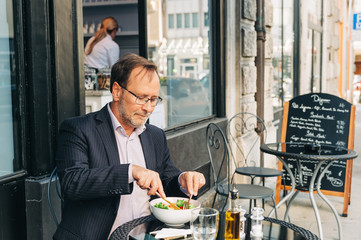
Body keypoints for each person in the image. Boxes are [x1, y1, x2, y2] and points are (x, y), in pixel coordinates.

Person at [53, 53, 206, 240]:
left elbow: (167, 183)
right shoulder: (79, 128)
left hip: (147, 235)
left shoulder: (155, 136)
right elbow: (72, 183)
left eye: (153, 99)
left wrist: (182, 181)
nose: (148, 108)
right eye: (141, 98)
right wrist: (130, 172)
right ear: (117, 91)